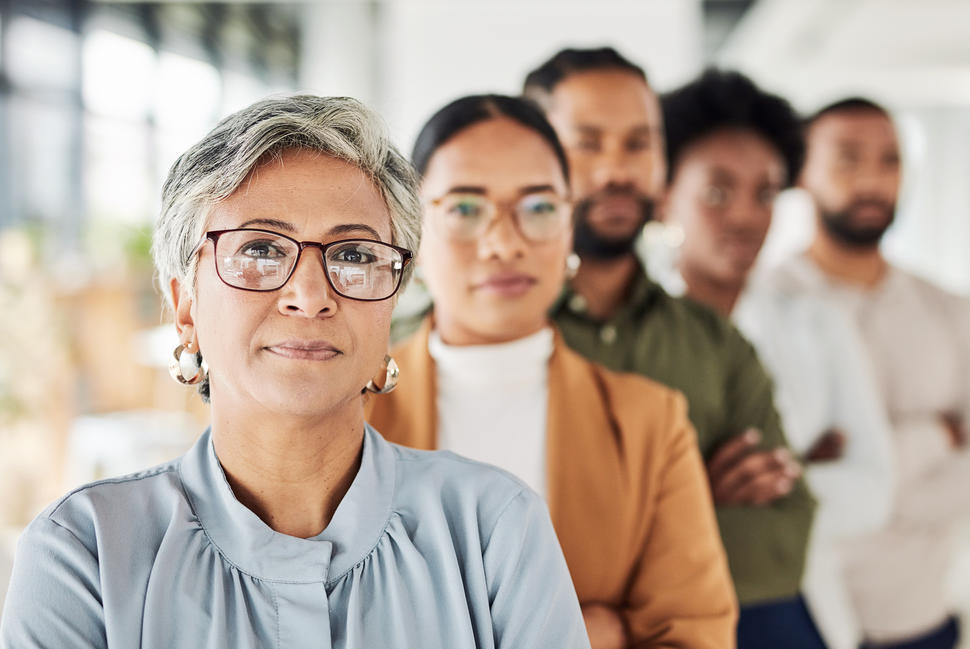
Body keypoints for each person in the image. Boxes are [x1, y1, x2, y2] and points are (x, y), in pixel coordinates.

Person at [0, 95, 591, 649]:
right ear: (185, 306)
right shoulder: (85, 552)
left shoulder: (495, 529)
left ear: (390, 305)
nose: (309, 296)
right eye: (260, 249)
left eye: (354, 255)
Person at [367, 94, 737, 649]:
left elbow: (695, 635)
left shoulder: (649, 424)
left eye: (537, 208)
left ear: (570, 225)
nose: (503, 243)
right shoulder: (348, 413)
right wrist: (594, 632)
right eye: (465, 209)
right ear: (413, 232)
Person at [522, 46, 817, 638]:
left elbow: (782, 537)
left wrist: (609, 617)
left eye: (638, 143)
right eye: (588, 143)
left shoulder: (715, 342)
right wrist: (686, 507)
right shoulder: (481, 335)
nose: (616, 171)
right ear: (531, 155)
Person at [655, 69, 895, 649]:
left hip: (796, 609)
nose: (745, 215)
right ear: (664, 197)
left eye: (765, 193)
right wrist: (800, 469)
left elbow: (874, 490)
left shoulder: (815, 322)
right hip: (669, 611)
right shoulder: (632, 332)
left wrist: (759, 481)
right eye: (717, 191)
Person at [776, 97, 970, 649]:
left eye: (890, 160)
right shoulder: (768, 307)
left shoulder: (950, 311)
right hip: (803, 619)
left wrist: (865, 470)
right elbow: (793, 486)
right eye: (848, 159)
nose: (872, 179)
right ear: (802, 173)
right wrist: (938, 436)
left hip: (924, 620)